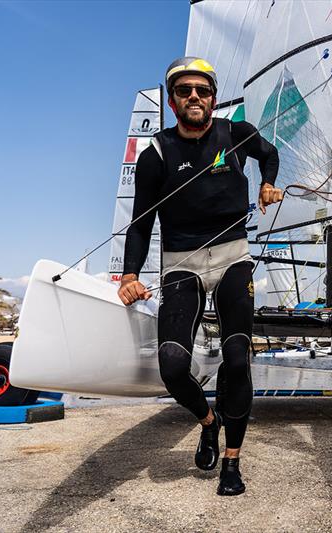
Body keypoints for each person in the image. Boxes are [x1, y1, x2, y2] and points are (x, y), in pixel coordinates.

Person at [117, 57, 282, 496]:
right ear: (172, 101)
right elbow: (141, 221)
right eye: (184, 90)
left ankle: (232, 462)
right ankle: (208, 422)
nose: (194, 96)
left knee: (236, 358)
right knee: (171, 365)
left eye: (202, 90)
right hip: (181, 261)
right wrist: (129, 275)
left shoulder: (236, 134)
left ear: (212, 97)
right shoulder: (156, 153)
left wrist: (267, 182)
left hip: (232, 255)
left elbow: (270, 154)